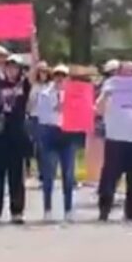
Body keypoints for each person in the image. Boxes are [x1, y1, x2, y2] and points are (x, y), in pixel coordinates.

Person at [0, 38, 37, 225]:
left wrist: (33, 39)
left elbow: (36, 66)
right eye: (9, 66)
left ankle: (17, 211)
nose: (12, 69)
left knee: (16, 174)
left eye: (15, 67)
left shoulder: (24, 84)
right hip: (0, 132)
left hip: (17, 132)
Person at [96, 61, 132, 222]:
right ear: (120, 73)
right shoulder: (111, 85)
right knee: (110, 176)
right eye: (130, 72)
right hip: (116, 138)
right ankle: (104, 208)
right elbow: (98, 109)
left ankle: (131, 211)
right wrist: (107, 95)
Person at [35, 65, 77, 222]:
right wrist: (57, 108)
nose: (60, 78)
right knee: (49, 174)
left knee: (68, 174)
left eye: (63, 76)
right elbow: (41, 115)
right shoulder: (45, 93)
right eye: (58, 75)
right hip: (51, 132)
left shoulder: (74, 95)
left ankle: (68, 209)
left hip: (68, 134)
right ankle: (47, 209)